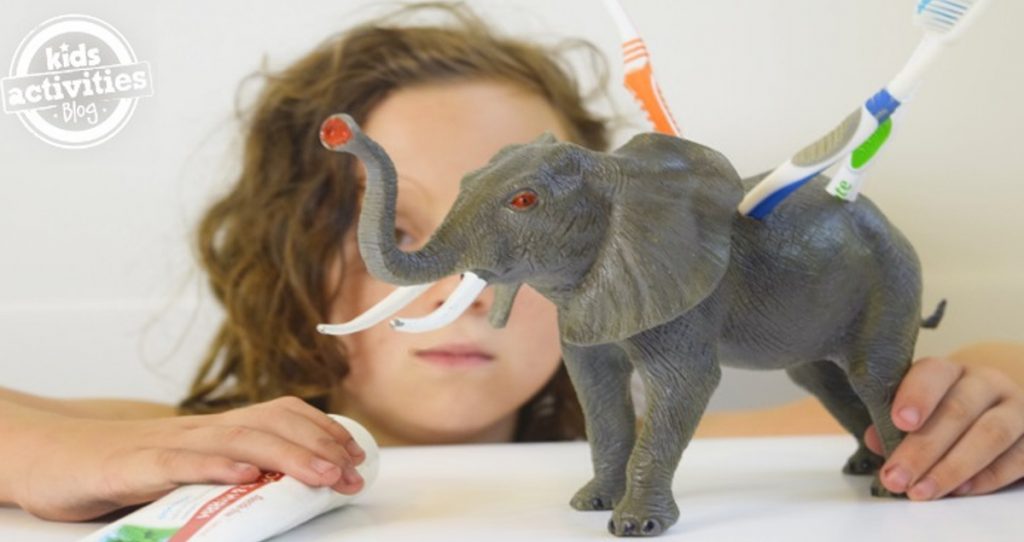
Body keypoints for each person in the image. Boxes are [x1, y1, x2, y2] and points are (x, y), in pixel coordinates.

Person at [0, 2, 1021, 523]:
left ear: (622, 253)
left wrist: (987, 383)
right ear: (293, 261)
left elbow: (898, 405)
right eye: (407, 230)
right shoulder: (201, 447)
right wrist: (47, 455)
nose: (448, 281)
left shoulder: (717, 424)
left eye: (505, 246)